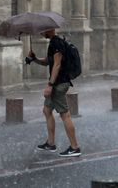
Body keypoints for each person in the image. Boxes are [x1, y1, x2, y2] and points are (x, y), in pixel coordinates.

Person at [28, 29, 81, 157]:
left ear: (49, 29)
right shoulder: (55, 42)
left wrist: (50, 86)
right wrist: (34, 59)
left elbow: (56, 65)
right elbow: (48, 61)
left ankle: (74, 147)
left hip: (59, 84)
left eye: (43, 30)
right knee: (47, 110)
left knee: (65, 115)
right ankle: (51, 143)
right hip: (58, 83)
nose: (41, 32)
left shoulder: (56, 43)